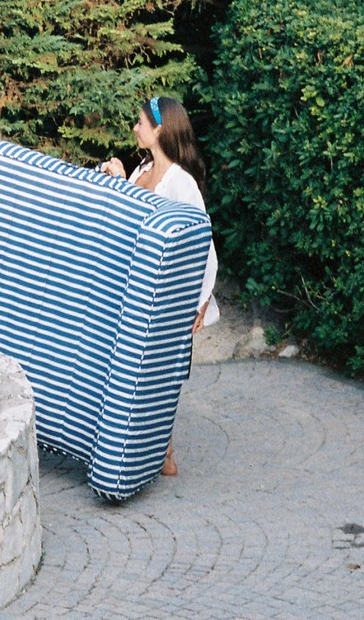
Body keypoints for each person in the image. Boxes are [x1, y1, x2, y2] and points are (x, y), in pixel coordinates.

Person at [99, 95, 219, 476]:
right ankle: (142, 449)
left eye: (140, 122)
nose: (135, 128)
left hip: (164, 298)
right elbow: (127, 219)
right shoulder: (142, 170)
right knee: (126, 367)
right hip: (129, 288)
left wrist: (200, 303)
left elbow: (204, 244)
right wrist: (117, 181)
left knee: (157, 372)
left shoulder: (181, 183)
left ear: (159, 129)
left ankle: (164, 451)